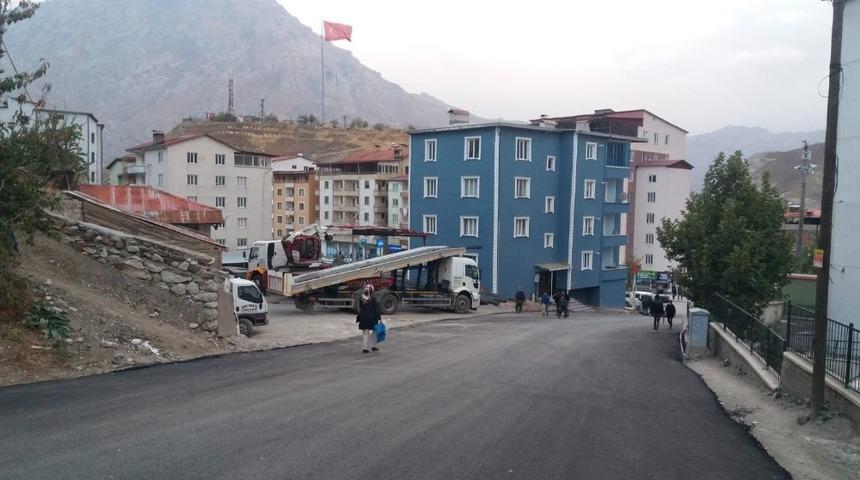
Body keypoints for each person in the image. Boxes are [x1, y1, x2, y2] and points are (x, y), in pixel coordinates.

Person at [356, 284, 381, 353]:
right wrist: (380, 318)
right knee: (374, 332)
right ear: (372, 290)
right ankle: (374, 346)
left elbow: (360, 308)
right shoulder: (373, 298)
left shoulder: (361, 298)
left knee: (365, 333)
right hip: (372, 318)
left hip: (364, 318)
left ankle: (364, 348)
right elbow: (376, 309)